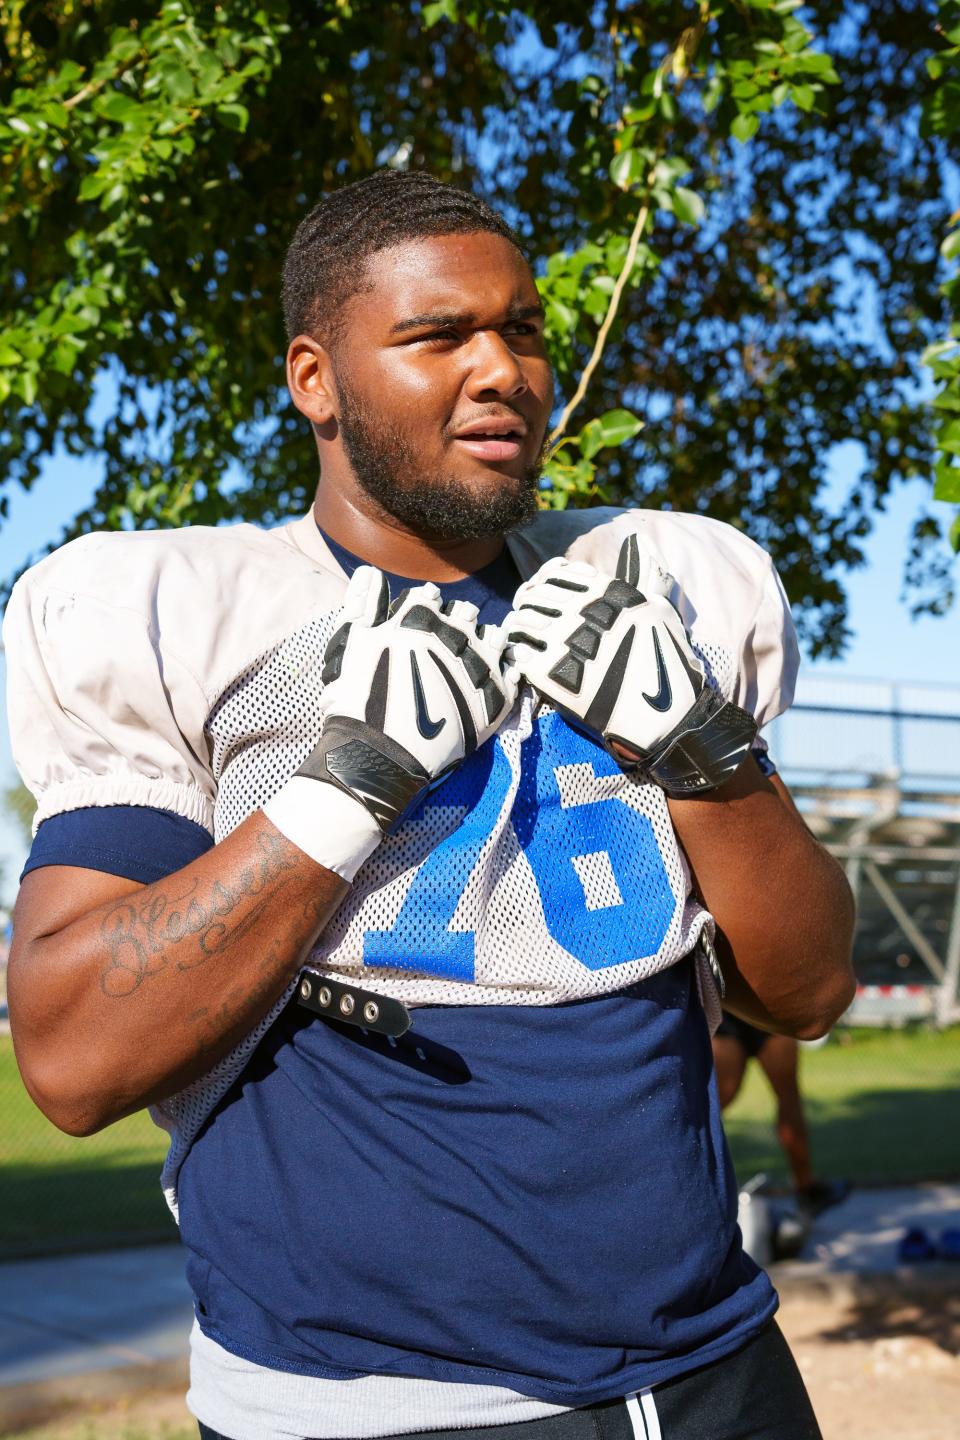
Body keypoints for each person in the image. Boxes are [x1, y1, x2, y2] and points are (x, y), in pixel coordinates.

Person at [5, 171, 856, 1440]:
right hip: (370, 1407)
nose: (503, 367)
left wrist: (704, 750)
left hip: (720, 1371)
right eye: (437, 335)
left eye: (521, 329)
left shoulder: (659, 593)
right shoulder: (191, 614)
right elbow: (71, 1063)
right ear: (314, 379)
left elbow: (812, 988)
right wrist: (339, 791)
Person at [712, 1014, 849, 1216]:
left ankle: (807, 1189)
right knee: (787, 1099)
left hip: (736, 1009)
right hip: (759, 1009)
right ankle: (807, 1190)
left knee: (709, 1109)